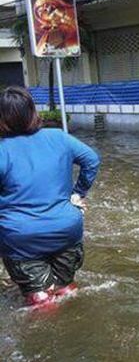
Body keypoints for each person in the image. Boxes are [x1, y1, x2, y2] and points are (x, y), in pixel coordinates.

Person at [0, 87, 100, 308]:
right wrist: (78, 194)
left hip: (21, 237)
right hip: (66, 228)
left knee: (41, 301)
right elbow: (92, 160)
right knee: (65, 288)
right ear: (32, 111)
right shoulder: (59, 137)